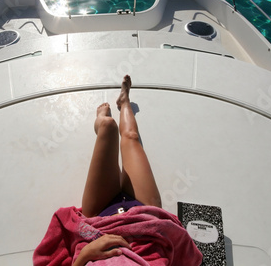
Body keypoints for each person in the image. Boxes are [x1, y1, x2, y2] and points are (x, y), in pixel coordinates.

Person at [33, 76, 202, 265]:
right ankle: (125, 101)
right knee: (131, 137)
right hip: (145, 217)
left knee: (107, 126)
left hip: (99, 216)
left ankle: (100, 121)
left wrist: (85, 255)